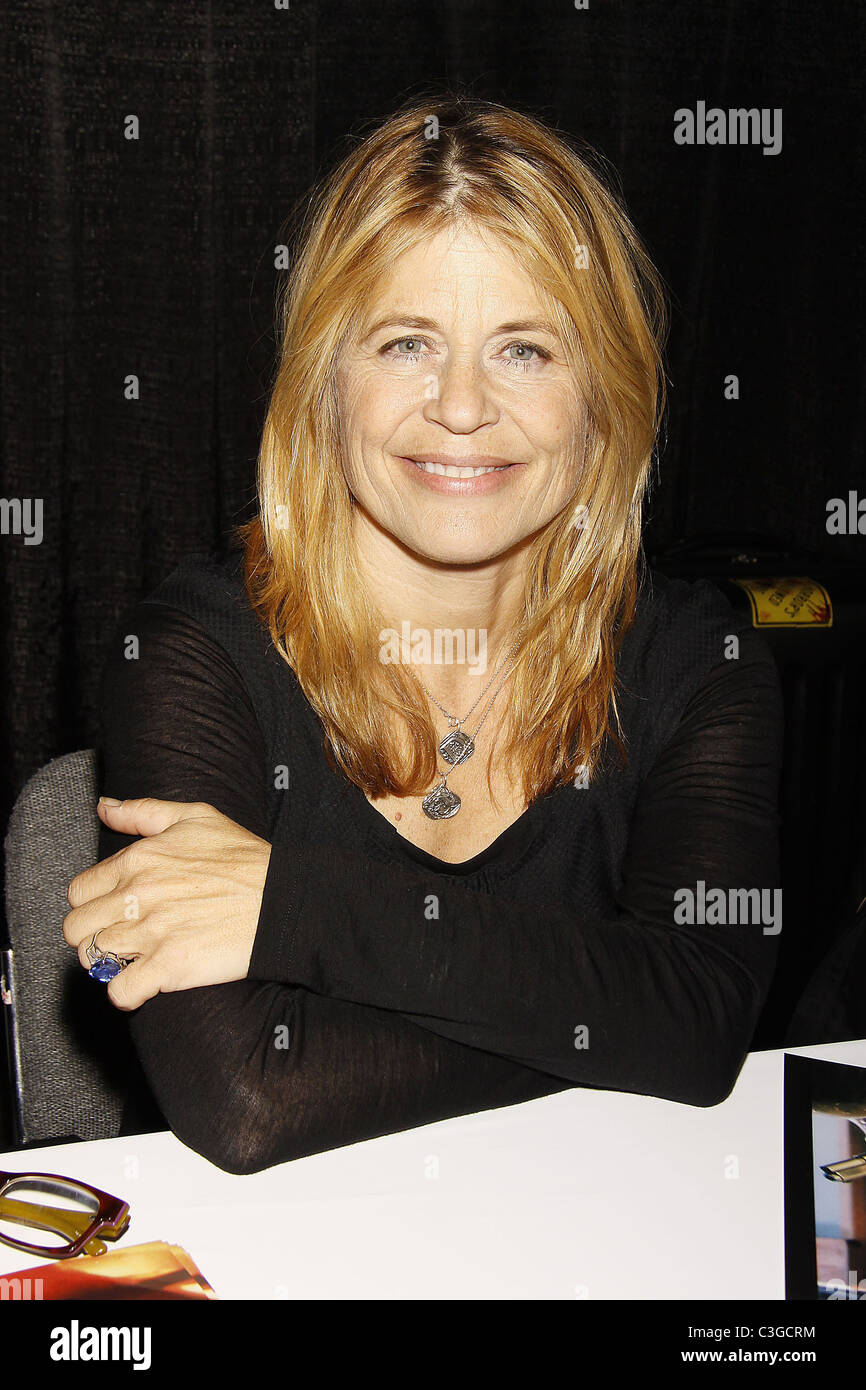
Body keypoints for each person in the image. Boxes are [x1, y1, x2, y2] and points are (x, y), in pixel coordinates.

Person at [62, 94, 784, 1174]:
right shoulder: (192, 656)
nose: (459, 406)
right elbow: (251, 1099)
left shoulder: (699, 665)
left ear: (604, 395)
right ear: (323, 384)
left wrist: (290, 904)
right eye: (405, 342)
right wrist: (621, 1012)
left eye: (525, 351)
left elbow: (699, 1018)